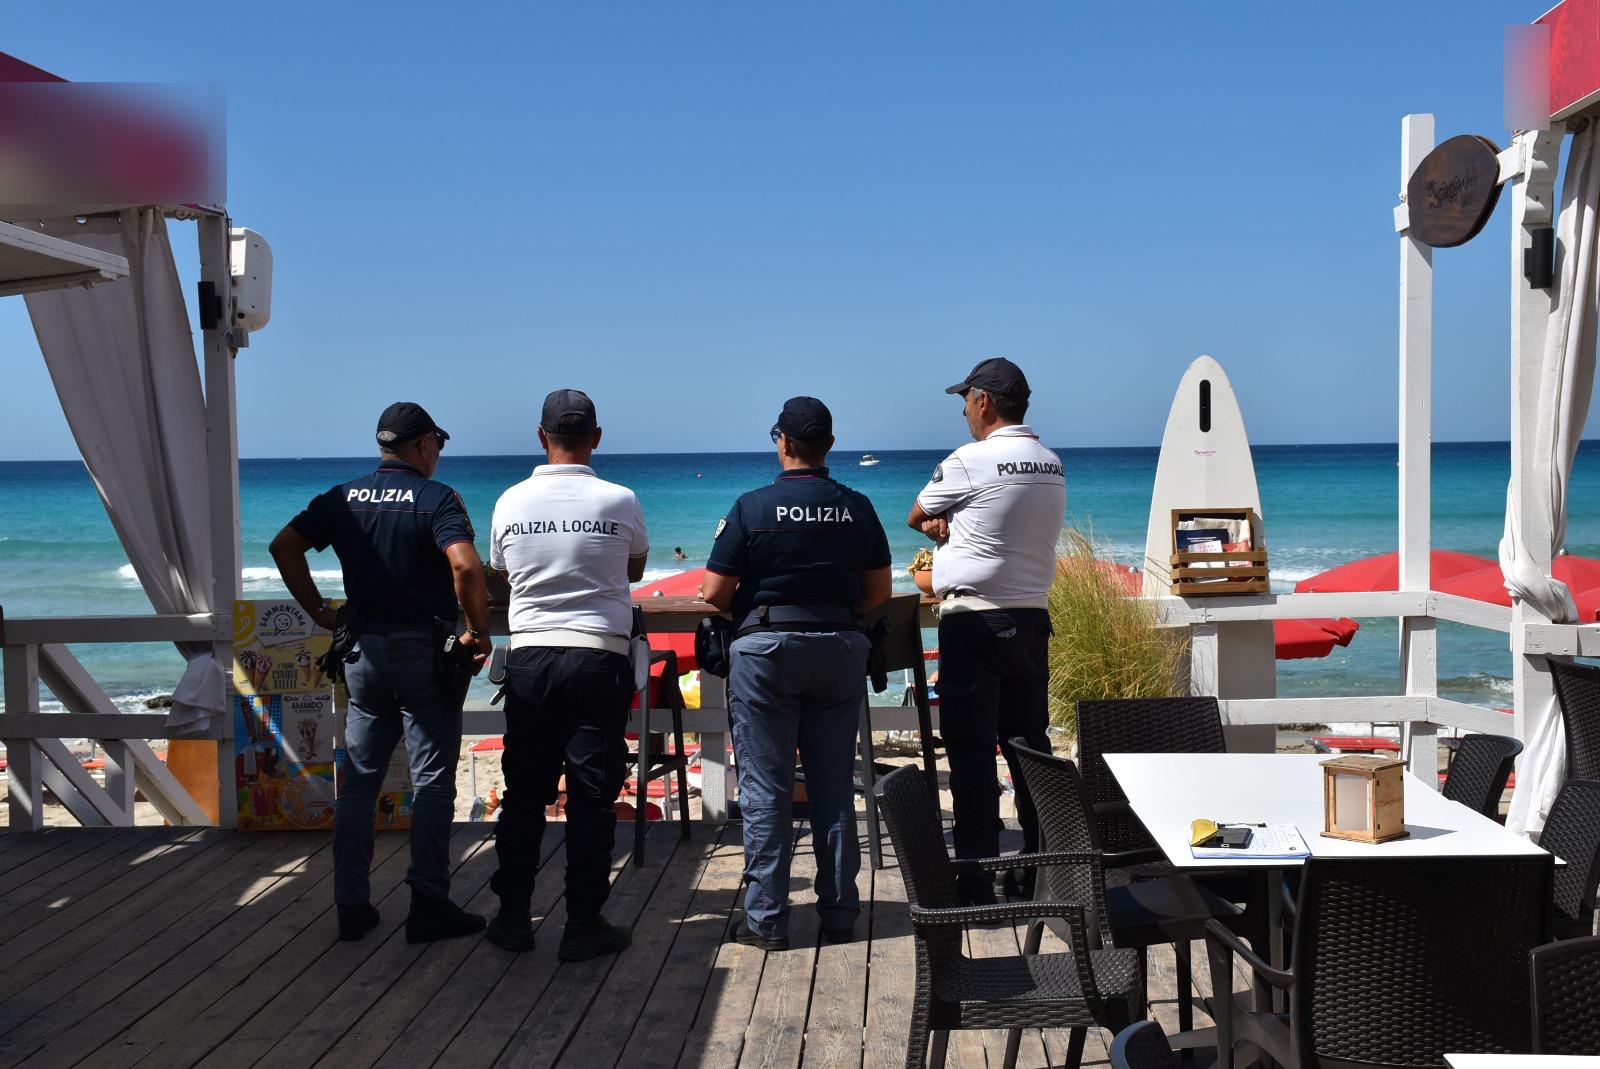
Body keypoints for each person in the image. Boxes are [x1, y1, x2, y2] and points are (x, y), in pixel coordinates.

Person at [269, 401, 491, 942]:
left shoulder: (343, 496)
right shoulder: (437, 498)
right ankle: (429, 904)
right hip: (421, 652)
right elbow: (465, 565)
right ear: (424, 446)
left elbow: (284, 546)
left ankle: (351, 904)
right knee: (432, 781)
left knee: (359, 783)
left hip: (361, 651)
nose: (438, 454)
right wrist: (477, 630)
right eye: (437, 444)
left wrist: (319, 610)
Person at [702, 397, 892, 951]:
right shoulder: (858, 507)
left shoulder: (752, 507)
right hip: (839, 650)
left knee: (766, 789)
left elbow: (713, 592)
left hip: (766, 653)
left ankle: (766, 919)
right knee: (834, 787)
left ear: (781, 442)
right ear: (828, 445)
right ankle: (840, 914)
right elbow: (879, 592)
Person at [485, 389, 649, 959]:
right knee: (592, 794)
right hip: (599, 656)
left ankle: (512, 917)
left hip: (530, 656)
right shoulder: (620, 499)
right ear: (596, 438)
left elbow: (503, 573)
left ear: (541, 436)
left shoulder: (510, 501)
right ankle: (583, 922)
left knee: (525, 792)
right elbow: (635, 567)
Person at [906, 358, 1066, 905]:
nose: (963, 412)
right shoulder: (1051, 463)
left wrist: (940, 523)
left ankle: (975, 878)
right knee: (1029, 747)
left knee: (971, 750)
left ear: (984, 402)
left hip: (974, 620)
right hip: (1031, 618)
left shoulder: (969, 460)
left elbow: (916, 515)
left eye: (965, 401)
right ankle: (1041, 868)